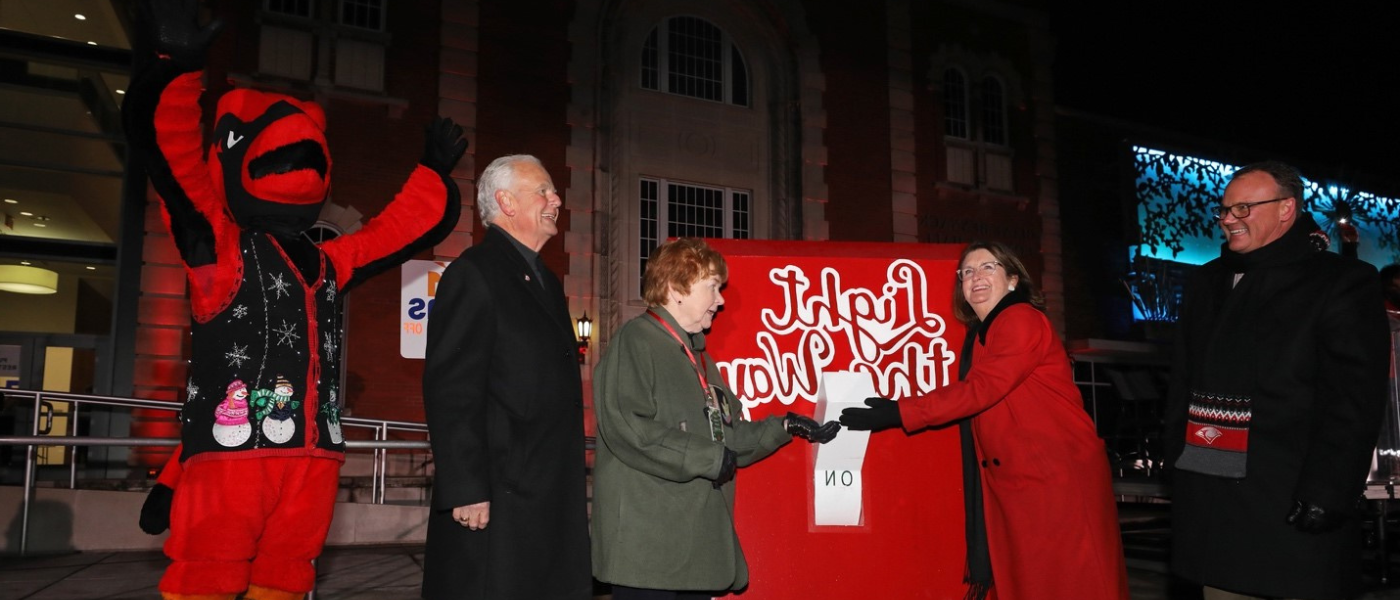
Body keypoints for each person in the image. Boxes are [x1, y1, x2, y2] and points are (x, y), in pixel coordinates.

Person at [125, 1, 466, 598]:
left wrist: (431, 173)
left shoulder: (329, 261)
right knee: (208, 576)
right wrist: (176, 71)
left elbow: (392, 234)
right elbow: (176, 164)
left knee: (286, 577)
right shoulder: (221, 250)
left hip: (313, 460)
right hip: (230, 463)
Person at [840, 240, 1128, 600]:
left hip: (1055, 480)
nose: (975, 276)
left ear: (1012, 280)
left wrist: (901, 411)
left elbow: (983, 388)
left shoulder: (1020, 319)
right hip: (1026, 480)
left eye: (987, 267)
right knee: (1033, 584)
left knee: (1066, 583)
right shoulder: (983, 334)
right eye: (967, 272)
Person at [1163, 161, 1389, 600]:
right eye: (1226, 210)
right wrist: (1178, 456)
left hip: (1291, 496)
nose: (1229, 219)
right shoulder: (1206, 281)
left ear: (1287, 208)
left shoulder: (1340, 281)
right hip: (1211, 496)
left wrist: (1331, 490)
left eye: (1244, 208)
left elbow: (1354, 399)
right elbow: (1183, 378)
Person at [590, 237, 839, 600]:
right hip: (648, 551)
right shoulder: (637, 339)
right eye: (712, 288)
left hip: (693, 550)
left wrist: (782, 427)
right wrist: (706, 457)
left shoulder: (700, 360)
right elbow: (630, 427)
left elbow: (726, 438)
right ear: (676, 289)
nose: (720, 301)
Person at [421, 155, 591, 600]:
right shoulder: (473, 273)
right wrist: (467, 488)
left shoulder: (547, 282)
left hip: (545, 490)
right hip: (500, 493)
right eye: (544, 190)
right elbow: (452, 389)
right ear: (506, 202)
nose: (556, 199)